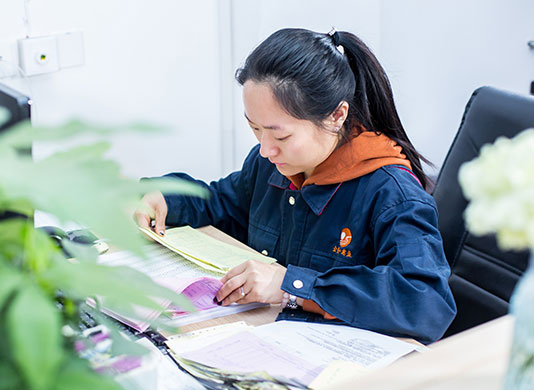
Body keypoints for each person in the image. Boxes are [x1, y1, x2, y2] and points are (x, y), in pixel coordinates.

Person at [136, 28, 456, 344]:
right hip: (262, 337)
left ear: (336, 116)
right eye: (255, 129)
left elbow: (426, 302)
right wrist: (164, 197)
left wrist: (292, 286)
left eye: (281, 135)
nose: (265, 149)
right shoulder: (273, 164)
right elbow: (222, 204)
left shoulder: (392, 194)